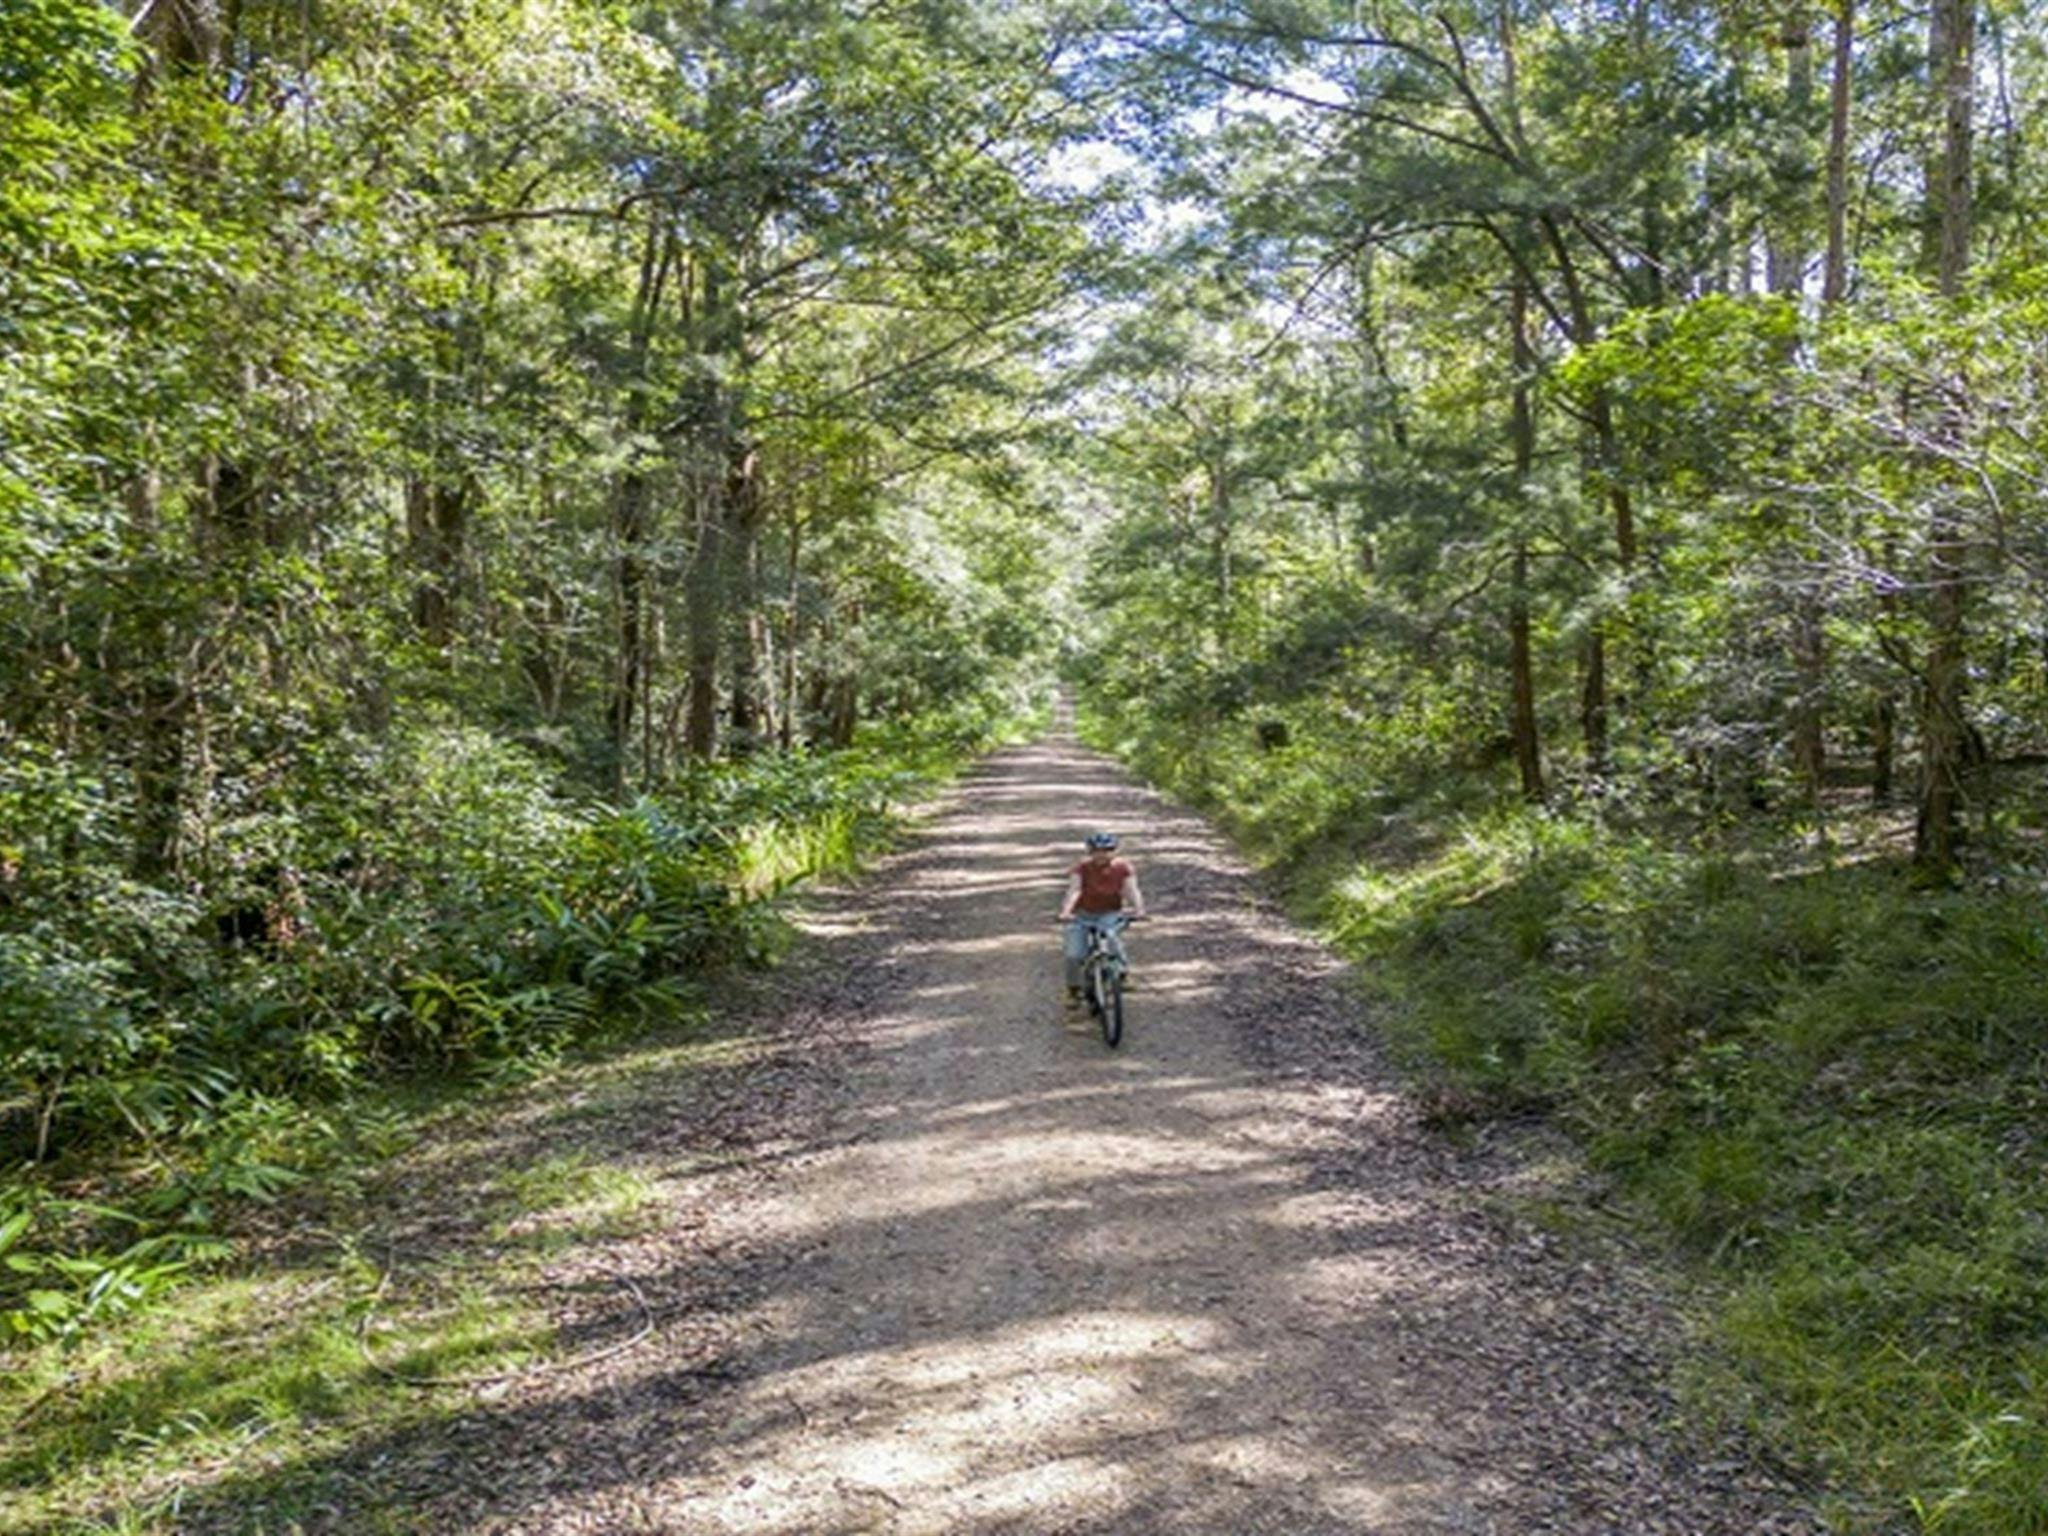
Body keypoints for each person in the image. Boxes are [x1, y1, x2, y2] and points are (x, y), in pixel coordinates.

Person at [1057, 831, 1146, 1006]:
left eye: (1107, 850)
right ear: (1090, 852)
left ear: (1114, 851)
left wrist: (1139, 909)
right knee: (1074, 954)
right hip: (1082, 914)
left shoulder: (1123, 868)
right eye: (1097, 850)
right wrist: (1066, 912)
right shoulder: (1081, 868)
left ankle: (1122, 975)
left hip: (1109, 913)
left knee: (1112, 939)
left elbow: (1131, 890)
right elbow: (1075, 890)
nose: (1102, 854)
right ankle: (1073, 991)